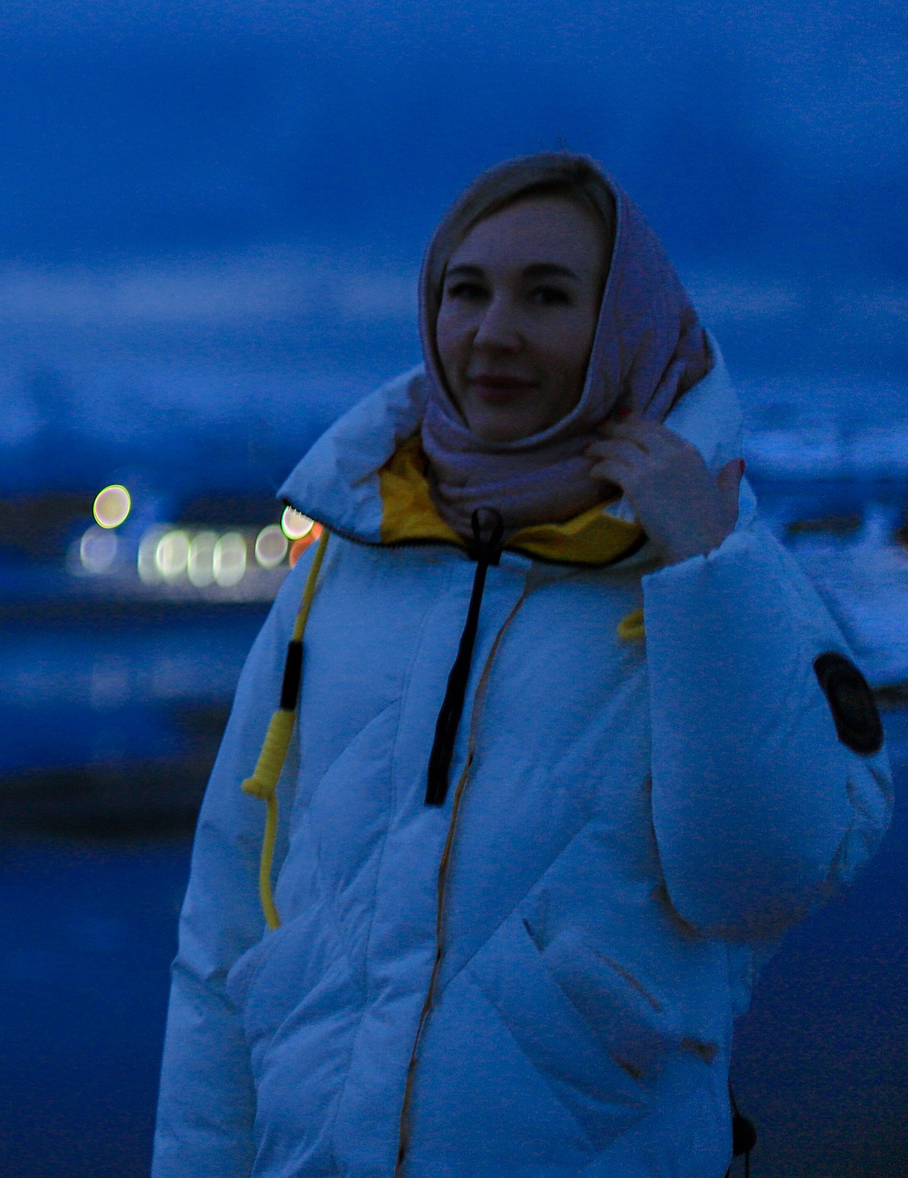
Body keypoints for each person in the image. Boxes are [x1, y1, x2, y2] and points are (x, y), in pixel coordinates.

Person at [152, 153, 894, 1177]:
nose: (491, 333)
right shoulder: (345, 564)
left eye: (546, 295)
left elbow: (757, 879)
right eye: (467, 291)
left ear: (622, 321)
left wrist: (706, 574)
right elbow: (223, 920)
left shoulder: (712, 559)